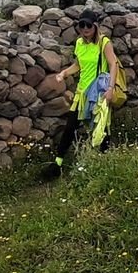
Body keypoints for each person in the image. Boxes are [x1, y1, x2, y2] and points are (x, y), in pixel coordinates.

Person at [49, 9, 120, 175]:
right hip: (82, 93)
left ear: (95, 26)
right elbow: (79, 65)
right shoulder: (80, 43)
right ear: (78, 27)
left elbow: (113, 64)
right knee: (70, 126)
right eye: (82, 25)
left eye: (89, 25)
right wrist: (64, 73)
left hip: (99, 92)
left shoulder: (104, 42)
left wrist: (110, 89)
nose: (85, 28)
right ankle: (57, 163)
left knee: (100, 128)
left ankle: (104, 163)